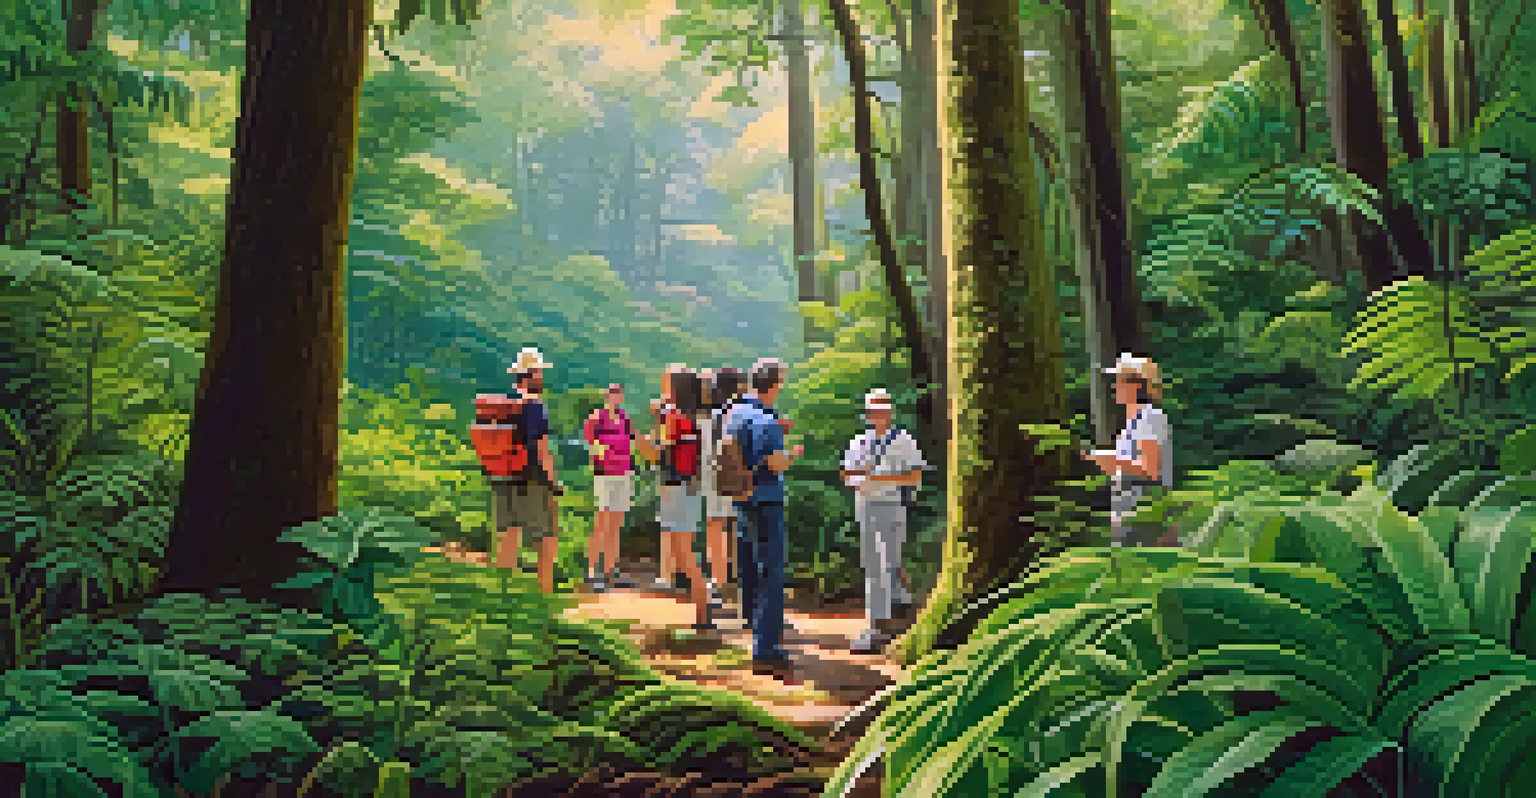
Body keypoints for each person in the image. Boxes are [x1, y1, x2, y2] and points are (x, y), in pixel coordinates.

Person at [726, 358, 803, 673]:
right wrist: (791, 455)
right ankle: (766, 646)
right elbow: (775, 464)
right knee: (771, 571)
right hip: (766, 500)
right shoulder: (767, 422)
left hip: (741, 497)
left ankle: (751, 622)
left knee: (749, 566)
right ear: (776, 384)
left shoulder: (736, 412)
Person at [840, 388, 927, 654]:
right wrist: (859, 477)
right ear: (867, 414)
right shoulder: (858, 442)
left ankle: (885, 625)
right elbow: (846, 474)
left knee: (888, 563)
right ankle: (879, 625)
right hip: (865, 505)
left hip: (891, 505)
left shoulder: (903, 440)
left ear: (890, 412)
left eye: (883, 410)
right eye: (873, 410)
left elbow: (914, 478)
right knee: (873, 564)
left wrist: (878, 478)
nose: (879, 415)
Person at [1081, 353, 1175, 547]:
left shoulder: (1150, 418)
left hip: (1146, 514)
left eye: (1119, 381)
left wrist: (1111, 459)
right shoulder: (1133, 422)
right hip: (1130, 512)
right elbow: (1128, 469)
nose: (1114, 386)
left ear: (1137, 385)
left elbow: (1149, 470)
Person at [494, 347, 564, 593]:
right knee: (545, 539)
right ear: (530, 374)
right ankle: (544, 598)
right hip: (531, 477)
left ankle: (505, 596)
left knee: (508, 536)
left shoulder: (503, 401)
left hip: (502, 476)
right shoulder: (534, 404)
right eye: (540, 372)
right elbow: (542, 447)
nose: (542, 378)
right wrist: (554, 482)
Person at [654, 365, 712, 628]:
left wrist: (643, 442)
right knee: (683, 551)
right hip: (688, 485)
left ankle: (703, 614)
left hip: (674, 486)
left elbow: (659, 452)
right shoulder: (694, 416)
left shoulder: (673, 416)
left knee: (683, 552)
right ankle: (701, 614)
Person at [582, 383, 635, 592]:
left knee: (616, 523)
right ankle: (592, 572)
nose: (615, 396)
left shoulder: (625, 419)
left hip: (624, 472)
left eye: (619, 393)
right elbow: (591, 444)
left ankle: (611, 570)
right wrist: (607, 454)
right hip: (604, 474)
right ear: (606, 396)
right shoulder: (596, 418)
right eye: (612, 393)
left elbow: (631, 442)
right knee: (601, 521)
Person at [702, 366, 746, 612]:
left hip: (713, 472)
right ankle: (739, 581)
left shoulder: (707, 411)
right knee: (737, 526)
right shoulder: (743, 410)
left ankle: (718, 582)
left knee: (715, 526)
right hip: (738, 473)